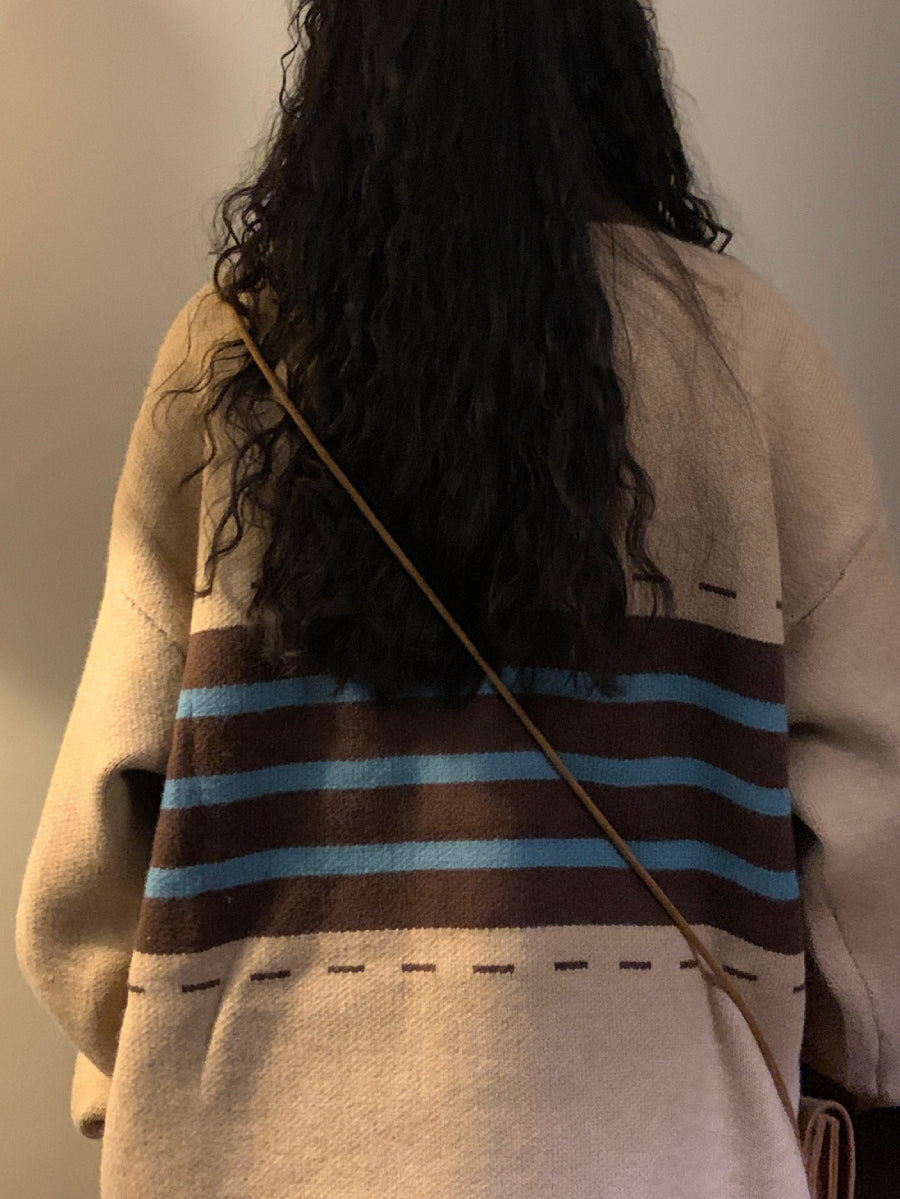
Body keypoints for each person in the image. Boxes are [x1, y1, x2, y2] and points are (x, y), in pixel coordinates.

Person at [15, 1, 900, 1195]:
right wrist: (852, 1049)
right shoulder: (752, 360)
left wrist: (167, 1057)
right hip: (664, 1146)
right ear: (603, 51)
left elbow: (93, 857)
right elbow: (872, 813)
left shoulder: (231, 355)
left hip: (265, 1150)